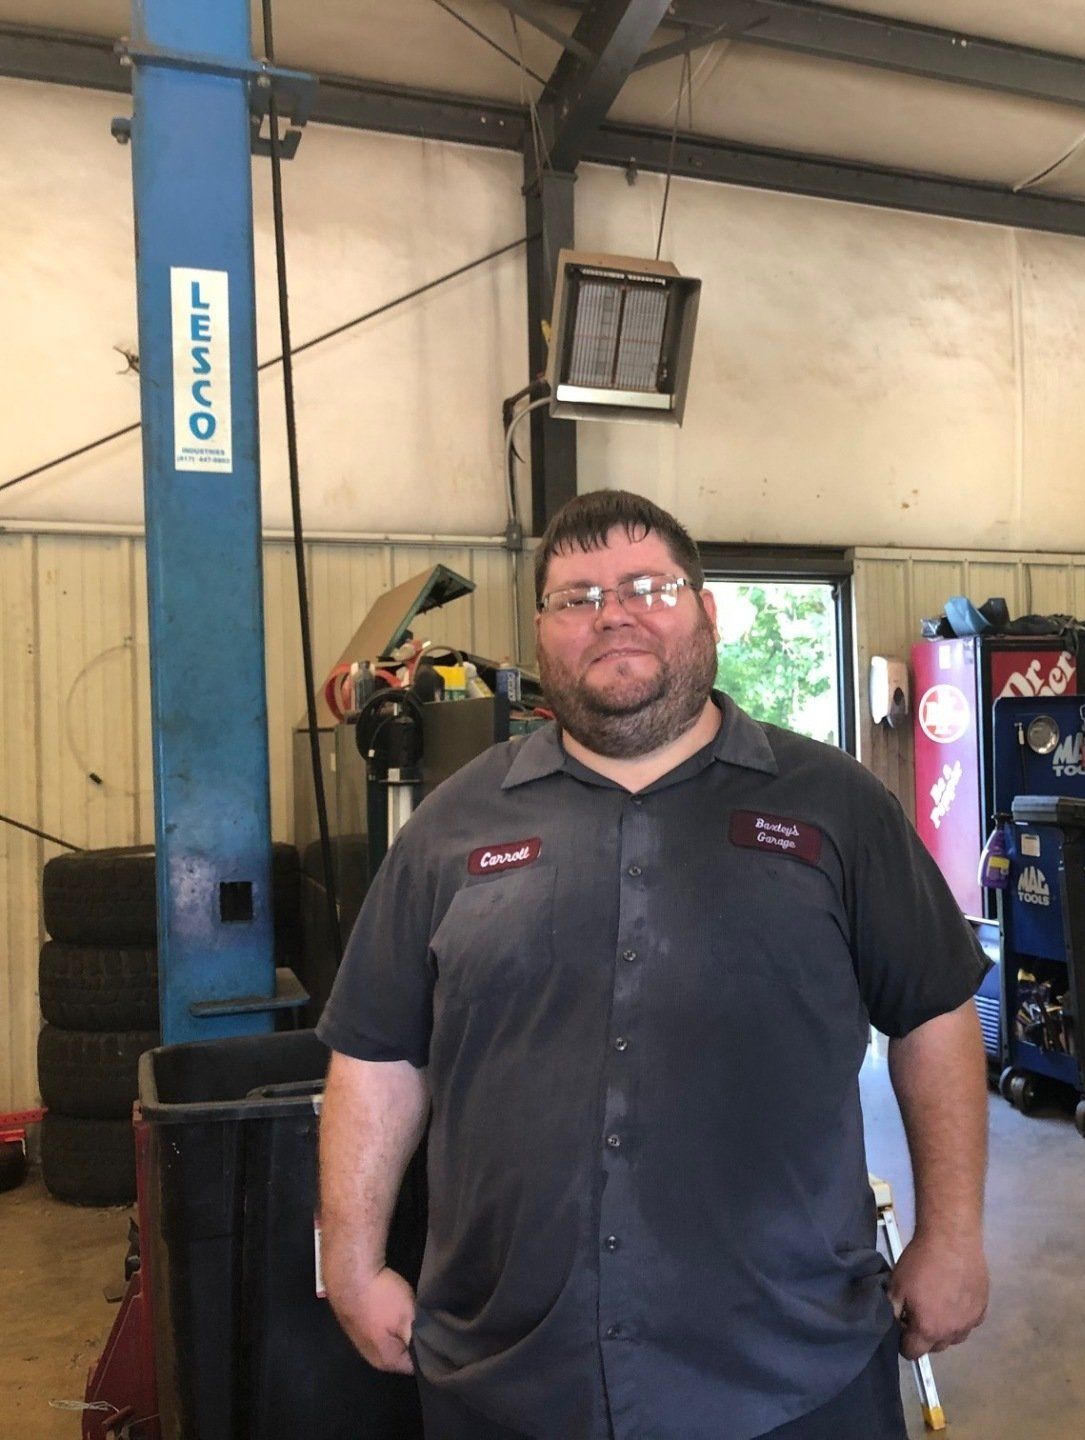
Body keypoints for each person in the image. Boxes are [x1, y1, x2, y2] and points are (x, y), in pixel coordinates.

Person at [316, 490, 991, 1440]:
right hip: (509, 1378)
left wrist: (952, 1235)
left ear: (706, 610)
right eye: (577, 596)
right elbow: (379, 1056)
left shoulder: (835, 806)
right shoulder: (451, 828)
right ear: (544, 633)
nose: (614, 613)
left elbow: (932, 1014)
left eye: (648, 585)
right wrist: (347, 1258)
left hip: (794, 1371)